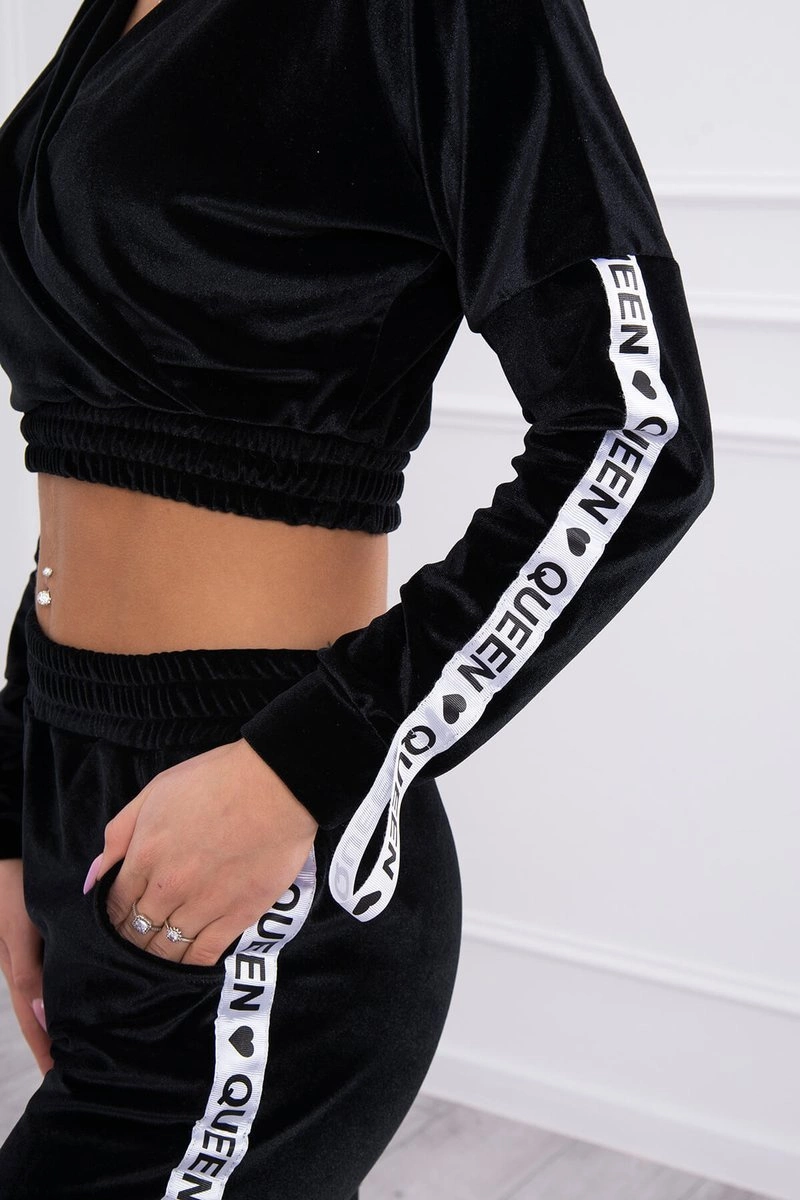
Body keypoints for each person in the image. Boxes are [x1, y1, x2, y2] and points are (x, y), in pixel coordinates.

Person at [0, 0, 714, 1195]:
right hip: (75, 786)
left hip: (258, 818)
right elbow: (91, 461)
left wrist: (301, 767)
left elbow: (637, 433)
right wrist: (13, 802)